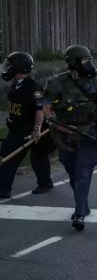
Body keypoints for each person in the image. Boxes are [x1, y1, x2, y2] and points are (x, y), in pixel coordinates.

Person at [43, 45, 97, 231]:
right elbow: (47, 107)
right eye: (84, 60)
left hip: (89, 134)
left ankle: (79, 214)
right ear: (73, 63)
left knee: (82, 173)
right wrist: (56, 124)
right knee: (73, 173)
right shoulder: (56, 83)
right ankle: (83, 204)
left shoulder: (95, 81)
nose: (88, 64)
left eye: (89, 60)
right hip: (65, 135)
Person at [0, 51, 54, 198]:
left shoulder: (34, 88)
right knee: (8, 155)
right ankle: (4, 189)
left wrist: (36, 130)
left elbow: (39, 110)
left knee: (37, 157)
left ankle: (45, 184)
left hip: (32, 129)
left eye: (10, 65)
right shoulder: (15, 85)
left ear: (18, 67)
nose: (7, 68)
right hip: (17, 129)